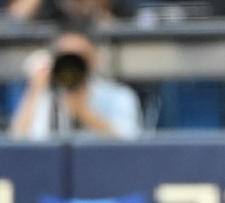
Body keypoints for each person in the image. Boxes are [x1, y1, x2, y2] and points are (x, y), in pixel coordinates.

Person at [9, 30, 142, 140]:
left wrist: (84, 112)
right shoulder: (42, 95)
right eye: (65, 57)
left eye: (80, 57)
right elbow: (17, 143)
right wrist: (35, 89)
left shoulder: (118, 95)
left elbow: (129, 145)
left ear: (94, 59)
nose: (71, 66)